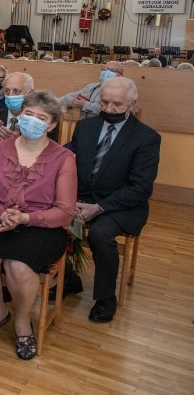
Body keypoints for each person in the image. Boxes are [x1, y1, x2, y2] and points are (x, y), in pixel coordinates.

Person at [0, 91, 76, 361]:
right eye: (29, 114)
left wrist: (26, 218)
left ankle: (23, 322)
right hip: (0, 216)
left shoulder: (64, 158)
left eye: (42, 118)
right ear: (20, 115)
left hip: (42, 225)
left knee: (17, 266)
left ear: (51, 126)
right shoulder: (0, 149)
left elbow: (64, 212)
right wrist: (2, 213)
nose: (33, 121)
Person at [64, 77, 160, 323]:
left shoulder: (146, 138)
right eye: (104, 102)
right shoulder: (86, 127)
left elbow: (140, 188)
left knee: (100, 233)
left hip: (121, 204)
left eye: (117, 104)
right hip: (84, 196)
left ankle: (106, 297)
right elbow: (68, 157)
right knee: (55, 219)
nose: (109, 109)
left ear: (132, 104)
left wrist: (99, 208)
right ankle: (68, 279)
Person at [0, 72, 58, 173]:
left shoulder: (40, 123)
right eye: (7, 91)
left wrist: (18, 144)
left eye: (16, 91)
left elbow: (47, 158)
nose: (10, 95)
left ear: (30, 93)